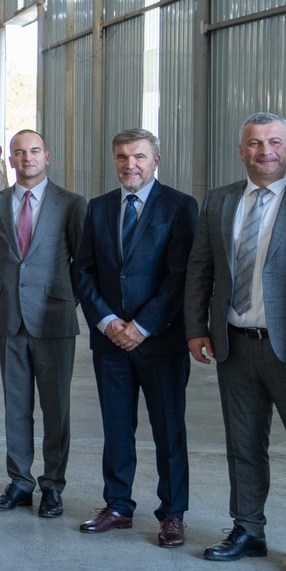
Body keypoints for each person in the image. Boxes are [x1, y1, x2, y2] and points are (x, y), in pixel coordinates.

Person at [183, 113, 286, 571]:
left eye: (275, 142)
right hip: (235, 344)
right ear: (241, 151)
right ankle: (247, 530)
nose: (265, 151)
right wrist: (196, 327)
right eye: (254, 143)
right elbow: (200, 268)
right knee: (243, 445)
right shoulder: (220, 201)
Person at [72, 128, 198, 548]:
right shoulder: (99, 207)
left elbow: (180, 276)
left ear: (155, 160)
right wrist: (107, 321)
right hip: (110, 341)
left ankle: (173, 513)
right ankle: (118, 505)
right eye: (123, 157)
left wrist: (142, 327)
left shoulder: (179, 206)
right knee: (116, 428)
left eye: (139, 156)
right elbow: (84, 270)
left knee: (168, 429)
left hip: (160, 341)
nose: (131, 165)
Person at [0, 129, 85, 519]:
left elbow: (81, 262)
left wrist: (62, 299)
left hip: (55, 319)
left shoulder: (71, 204)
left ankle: (52, 485)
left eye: (35, 151)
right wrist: (15, 292)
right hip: (10, 318)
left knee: (56, 408)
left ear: (47, 156)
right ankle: (20, 482)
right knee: (16, 406)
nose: (28, 158)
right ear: (11, 160)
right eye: (19, 152)